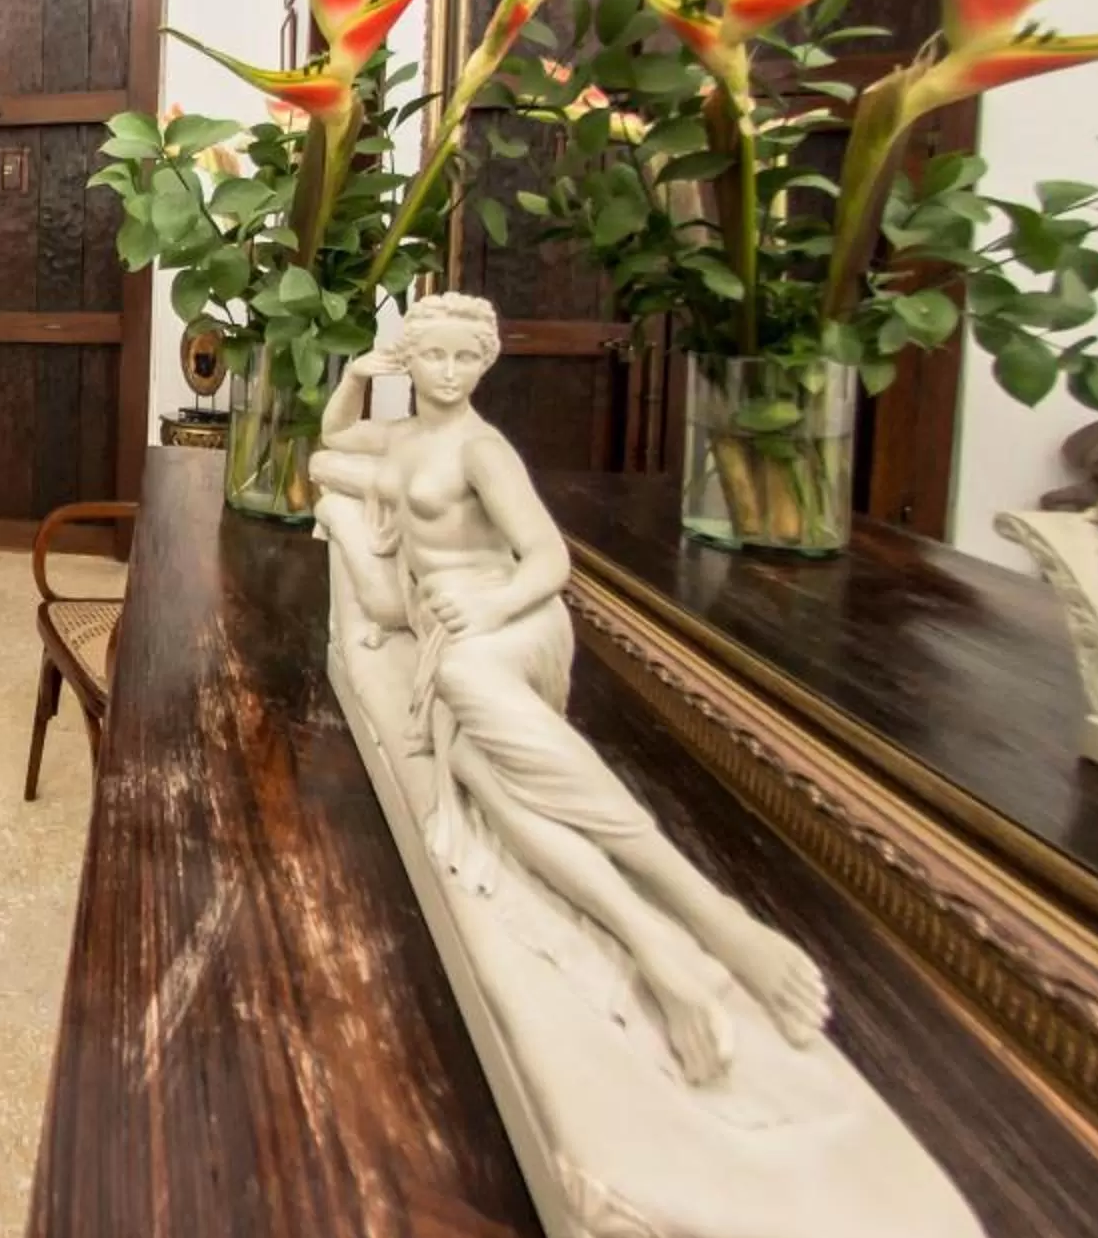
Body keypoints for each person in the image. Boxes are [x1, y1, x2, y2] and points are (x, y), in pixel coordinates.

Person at [311, 294, 827, 1083]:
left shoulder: (483, 452)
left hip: (511, 622)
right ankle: (660, 943)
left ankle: (704, 913)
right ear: (407, 361)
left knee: (466, 694)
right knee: (484, 778)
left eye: (464, 358)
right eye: (434, 357)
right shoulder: (402, 435)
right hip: (456, 631)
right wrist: (353, 377)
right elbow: (335, 436)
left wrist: (487, 604)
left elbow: (549, 560)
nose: (449, 373)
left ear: (484, 363)